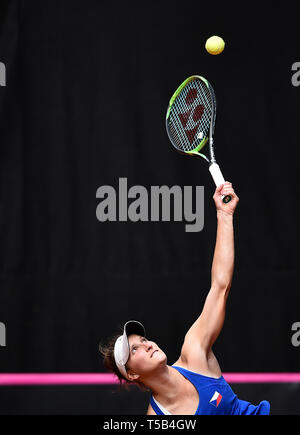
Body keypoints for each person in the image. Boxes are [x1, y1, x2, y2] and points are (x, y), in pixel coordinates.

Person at [99, 182, 270, 415]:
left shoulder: (194, 352)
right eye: (135, 349)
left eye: (143, 339)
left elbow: (220, 286)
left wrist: (224, 214)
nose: (147, 345)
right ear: (132, 375)